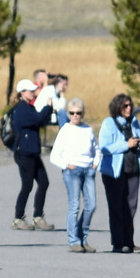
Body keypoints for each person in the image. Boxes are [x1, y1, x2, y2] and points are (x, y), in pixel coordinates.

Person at [47, 97, 99, 252]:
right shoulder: (65, 130)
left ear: (83, 114)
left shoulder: (88, 129)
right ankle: (73, 241)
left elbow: (96, 149)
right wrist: (66, 165)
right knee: (75, 205)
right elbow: (54, 155)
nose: (75, 115)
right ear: (68, 114)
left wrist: (95, 163)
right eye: (72, 113)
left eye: (78, 113)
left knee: (91, 205)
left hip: (88, 169)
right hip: (72, 171)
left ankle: (83, 238)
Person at [97, 94, 140, 253]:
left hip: (132, 168)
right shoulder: (108, 123)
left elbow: (136, 138)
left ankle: (129, 242)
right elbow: (104, 148)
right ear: (118, 107)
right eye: (125, 106)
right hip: (114, 171)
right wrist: (126, 144)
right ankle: (118, 243)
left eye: (130, 105)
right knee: (117, 206)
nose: (129, 108)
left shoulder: (133, 121)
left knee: (131, 206)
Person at [9, 78, 55, 231]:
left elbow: (39, 121)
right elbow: (37, 119)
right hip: (24, 153)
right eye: (30, 90)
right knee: (27, 185)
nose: (33, 92)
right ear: (22, 93)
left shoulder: (29, 107)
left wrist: (46, 112)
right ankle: (18, 218)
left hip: (32, 151)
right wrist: (48, 108)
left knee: (44, 182)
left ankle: (38, 216)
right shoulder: (21, 108)